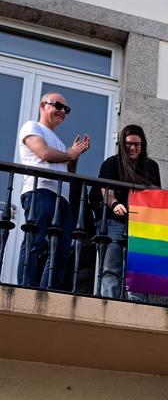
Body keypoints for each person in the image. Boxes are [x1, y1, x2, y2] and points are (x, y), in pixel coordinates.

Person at [17, 92, 90, 289]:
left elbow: (69, 173)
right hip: (40, 191)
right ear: (43, 105)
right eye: (58, 106)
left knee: (61, 250)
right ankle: (26, 287)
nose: (62, 111)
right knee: (36, 241)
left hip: (61, 198)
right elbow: (44, 153)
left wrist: (74, 158)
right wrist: (69, 153)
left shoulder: (58, 141)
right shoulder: (32, 127)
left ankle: (48, 289)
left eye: (66, 109)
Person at [96, 124, 161, 298]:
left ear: (143, 145)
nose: (133, 148)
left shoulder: (151, 166)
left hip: (141, 224)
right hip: (114, 221)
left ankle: (136, 306)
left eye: (137, 144)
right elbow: (106, 188)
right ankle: (108, 302)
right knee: (111, 266)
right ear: (122, 144)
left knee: (138, 269)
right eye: (129, 144)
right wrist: (114, 203)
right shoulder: (111, 163)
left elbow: (157, 194)